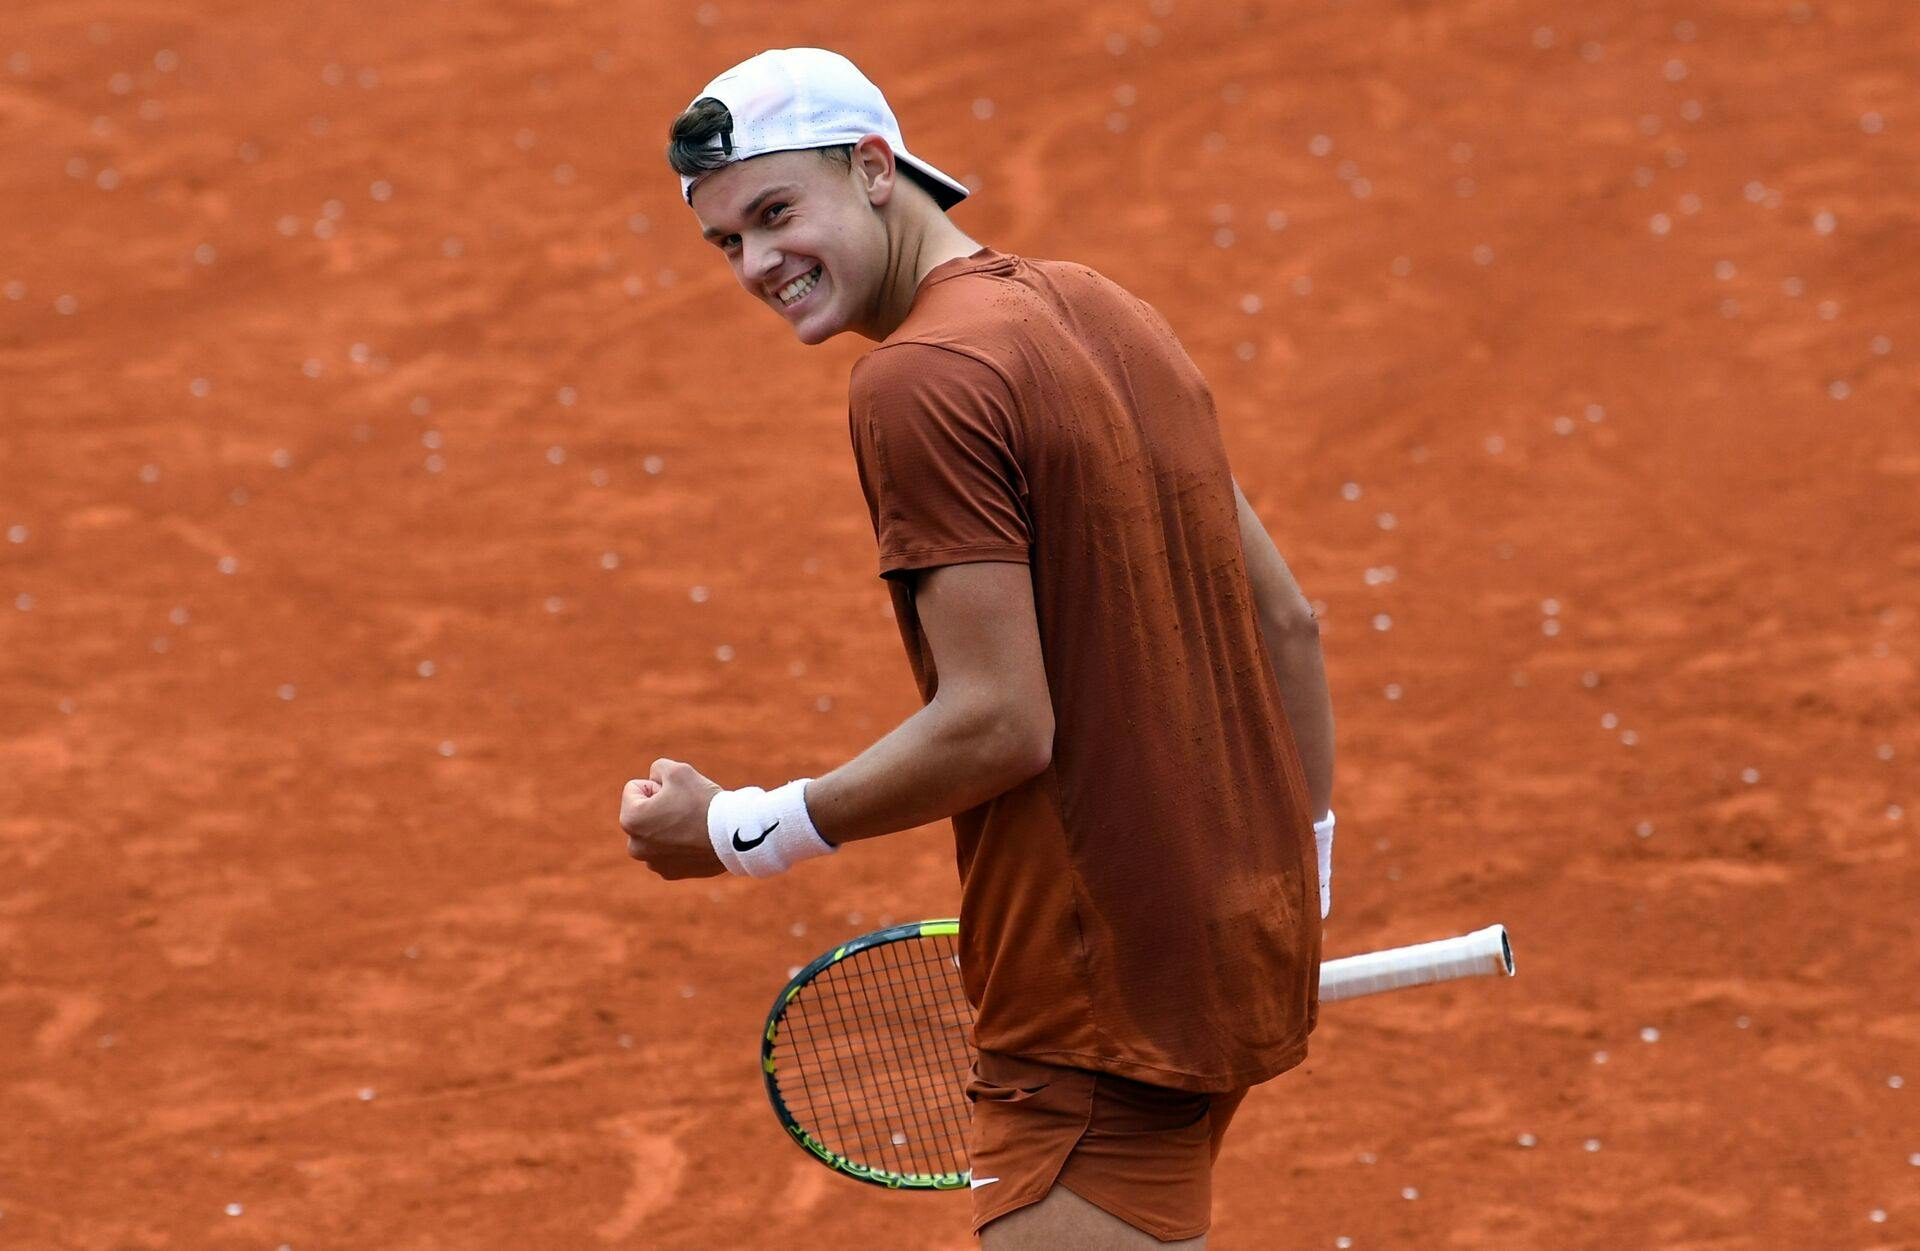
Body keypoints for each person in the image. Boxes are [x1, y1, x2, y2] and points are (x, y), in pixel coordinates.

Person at [618, 47, 1338, 1249]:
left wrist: (744, 832)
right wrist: (1289, 885)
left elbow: (1000, 721)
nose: (755, 265)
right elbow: (1287, 624)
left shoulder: (918, 383)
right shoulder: (1111, 310)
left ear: (874, 167)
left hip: (1091, 993)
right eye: (726, 241)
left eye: (776, 213)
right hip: (1214, 947)